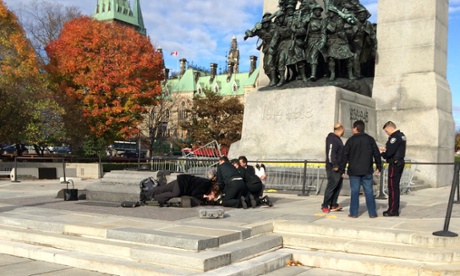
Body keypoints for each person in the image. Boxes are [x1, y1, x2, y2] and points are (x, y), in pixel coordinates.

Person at [340, 120, 382, 218]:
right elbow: (376, 153)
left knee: (354, 192)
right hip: (367, 170)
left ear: (355, 128)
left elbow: (344, 156)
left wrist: (342, 169)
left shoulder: (350, 140)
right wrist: (378, 166)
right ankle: (372, 213)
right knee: (369, 191)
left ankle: (354, 213)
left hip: (354, 171)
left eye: (353, 128)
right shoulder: (370, 139)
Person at [380, 121, 406, 217]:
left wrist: (382, 153)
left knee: (392, 187)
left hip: (395, 164)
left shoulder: (395, 137)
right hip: (399, 163)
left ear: (391, 128)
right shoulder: (402, 136)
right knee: (395, 187)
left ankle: (392, 210)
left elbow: (389, 153)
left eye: (387, 131)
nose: (387, 133)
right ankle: (394, 208)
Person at [153, 173, 221, 206]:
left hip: (182, 180)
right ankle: (155, 197)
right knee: (174, 193)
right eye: (214, 197)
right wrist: (205, 196)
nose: (214, 199)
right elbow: (195, 194)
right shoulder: (205, 186)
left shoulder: (208, 185)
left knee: (164, 188)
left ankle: (148, 194)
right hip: (183, 184)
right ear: (213, 192)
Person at [321, 123, 344, 213]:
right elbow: (331, 153)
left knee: (338, 186)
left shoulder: (338, 139)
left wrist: (342, 169)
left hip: (339, 167)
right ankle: (325, 204)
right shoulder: (332, 138)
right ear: (341, 129)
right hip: (333, 168)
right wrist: (334, 165)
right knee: (331, 186)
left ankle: (333, 204)